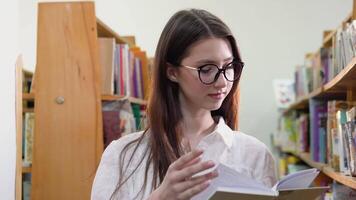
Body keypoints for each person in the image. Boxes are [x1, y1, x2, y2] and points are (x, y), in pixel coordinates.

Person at [91, 8, 277, 200]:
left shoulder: (254, 154)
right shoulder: (123, 155)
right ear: (172, 72)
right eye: (206, 69)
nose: (222, 82)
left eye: (228, 66)